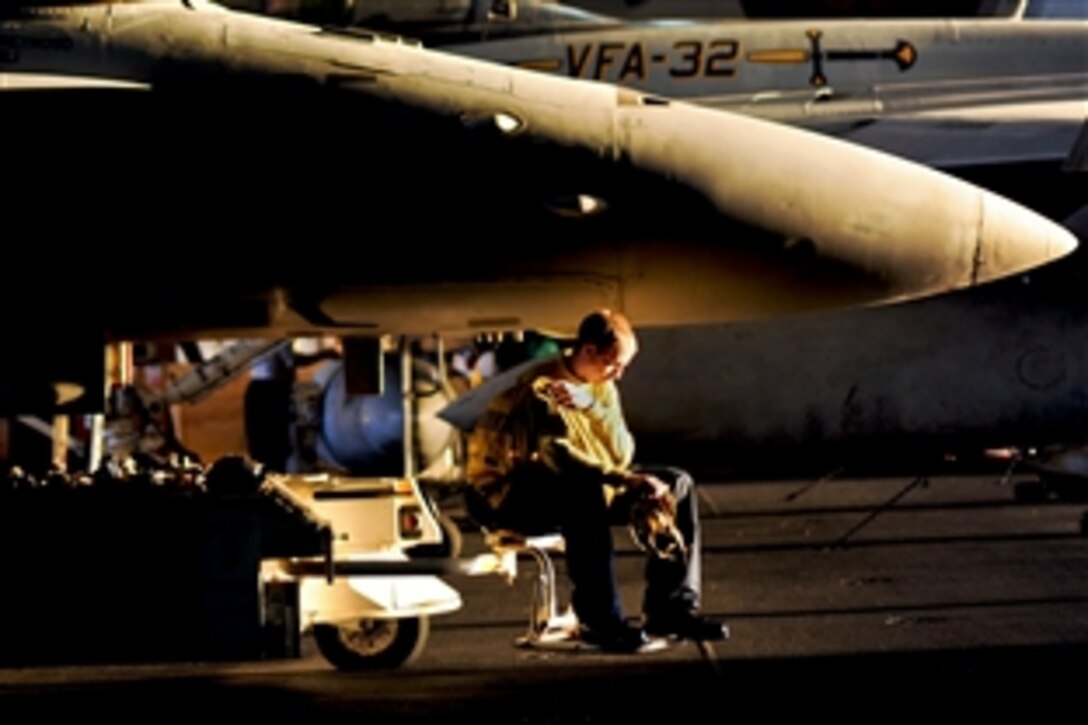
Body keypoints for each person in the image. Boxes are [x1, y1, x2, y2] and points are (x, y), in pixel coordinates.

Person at [464, 309, 729, 653]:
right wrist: (627, 479)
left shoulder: (599, 387)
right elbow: (556, 457)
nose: (617, 375)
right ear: (587, 351)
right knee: (583, 494)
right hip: (506, 495)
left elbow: (622, 451)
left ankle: (671, 609)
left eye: (622, 367)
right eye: (612, 363)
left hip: (569, 480)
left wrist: (593, 408)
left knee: (676, 483)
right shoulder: (542, 388)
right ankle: (600, 621)